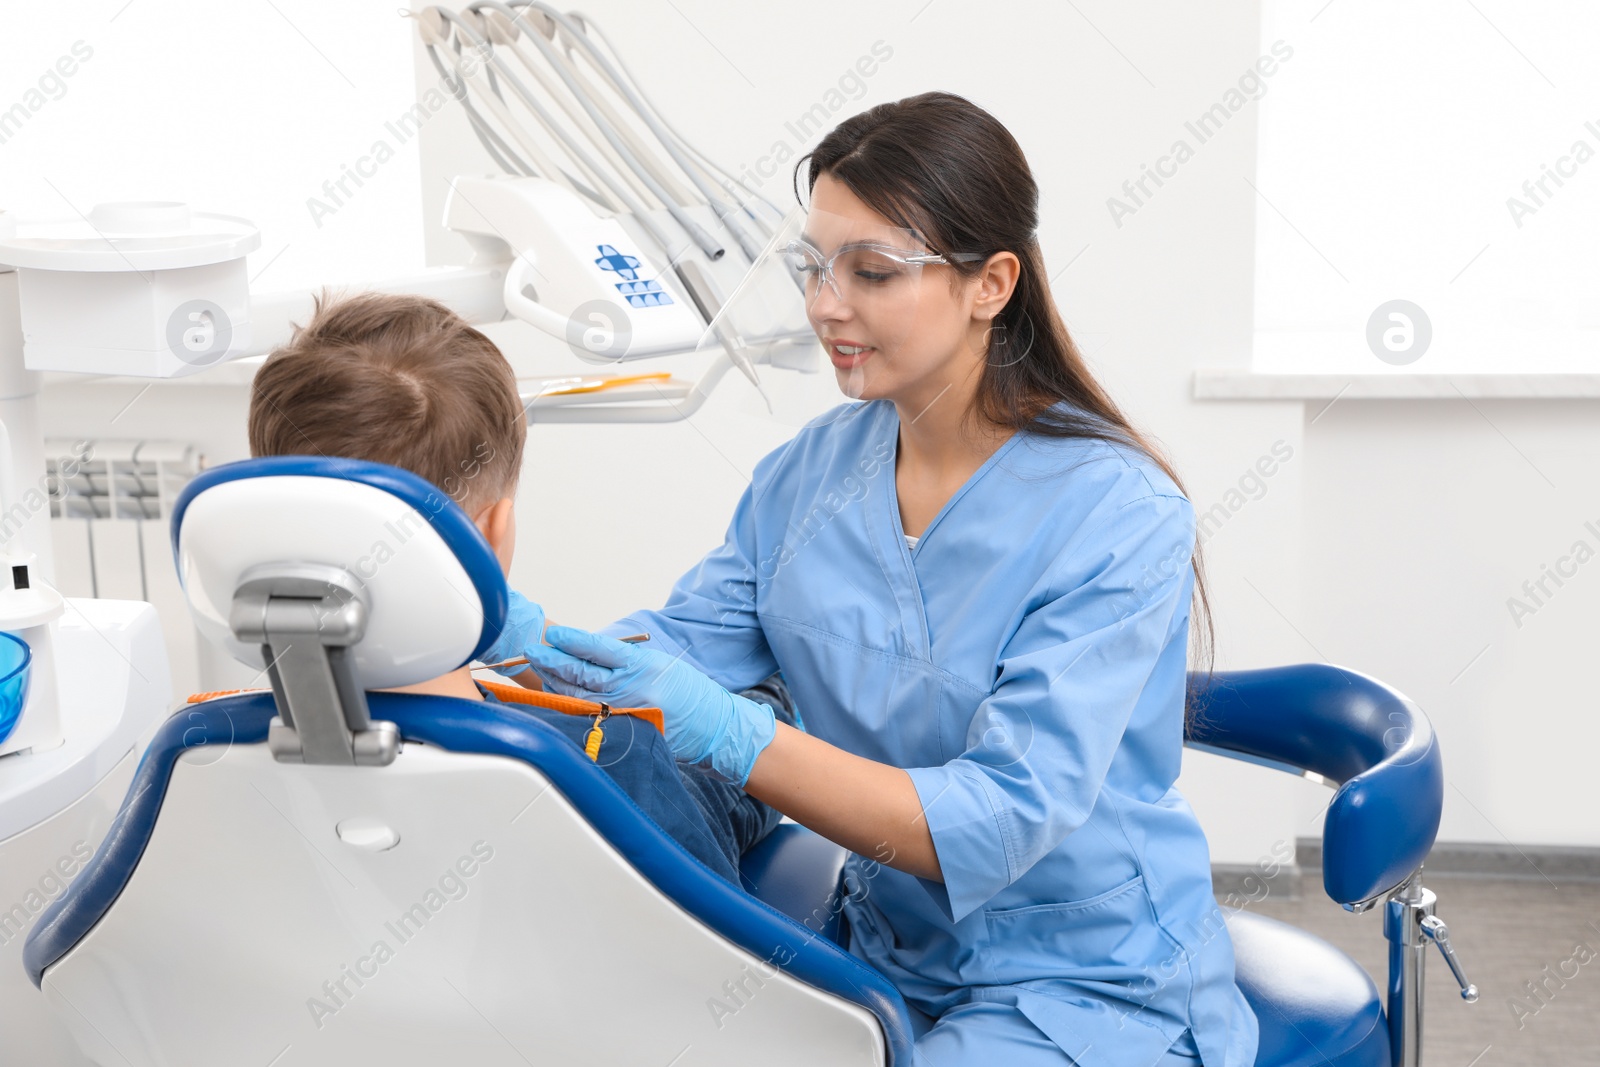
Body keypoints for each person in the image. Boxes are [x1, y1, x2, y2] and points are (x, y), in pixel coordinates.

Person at [494, 92, 1260, 1066]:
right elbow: (681, 647)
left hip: (1081, 979)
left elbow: (999, 817)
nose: (824, 304)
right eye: (813, 266)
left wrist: (734, 732)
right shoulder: (810, 475)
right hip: (884, 945)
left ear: (991, 283)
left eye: (871, 271)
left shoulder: (1117, 510)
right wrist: (508, 638)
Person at [244, 290, 795, 885]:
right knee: (759, 723)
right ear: (495, 533)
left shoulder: (203, 752)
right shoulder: (620, 762)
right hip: (655, 792)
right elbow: (733, 958)